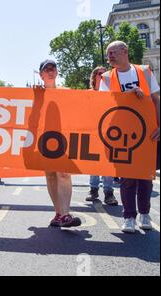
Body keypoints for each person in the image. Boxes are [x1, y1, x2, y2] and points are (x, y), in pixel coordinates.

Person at [100, 41, 160, 234]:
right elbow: (102, 106)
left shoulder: (144, 71)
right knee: (127, 178)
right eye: (108, 53)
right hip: (121, 136)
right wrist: (127, 96)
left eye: (113, 52)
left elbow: (156, 99)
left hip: (147, 133)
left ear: (125, 52)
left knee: (145, 177)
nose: (109, 56)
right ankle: (128, 217)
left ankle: (144, 214)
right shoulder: (107, 78)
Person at [39, 60, 82, 228]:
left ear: (57, 73)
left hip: (63, 139)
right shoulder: (34, 93)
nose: (50, 71)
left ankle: (65, 214)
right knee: (50, 175)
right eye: (46, 69)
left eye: (53, 68)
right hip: (43, 140)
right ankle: (58, 213)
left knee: (63, 173)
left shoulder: (67, 92)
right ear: (41, 74)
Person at [85, 67, 118, 206]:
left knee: (108, 164)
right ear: (94, 77)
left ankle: (108, 192)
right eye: (101, 73)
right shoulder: (88, 94)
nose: (104, 75)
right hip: (92, 133)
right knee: (94, 163)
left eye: (106, 73)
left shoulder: (113, 93)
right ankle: (93, 189)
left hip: (108, 133)